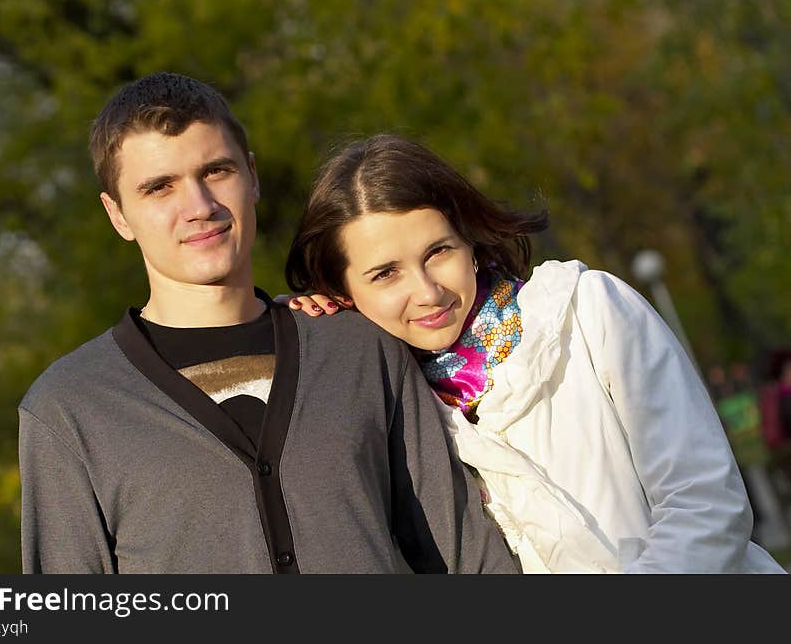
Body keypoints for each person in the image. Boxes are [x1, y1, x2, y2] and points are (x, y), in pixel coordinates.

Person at [18, 74, 516, 574]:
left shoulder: (360, 348)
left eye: (215, 171)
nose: (199, 207)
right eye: (159, 188)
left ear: (251, 176)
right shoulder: (69, 407)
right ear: (118, 215)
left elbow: (469, 559)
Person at [283, 133, 786, 573]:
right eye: (385, 274)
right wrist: (311, 328)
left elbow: (706, 502)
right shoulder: (398, 408)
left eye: (439, 252)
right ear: (344, 292)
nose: (427, 292)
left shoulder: (587, 311)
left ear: (471, 243)